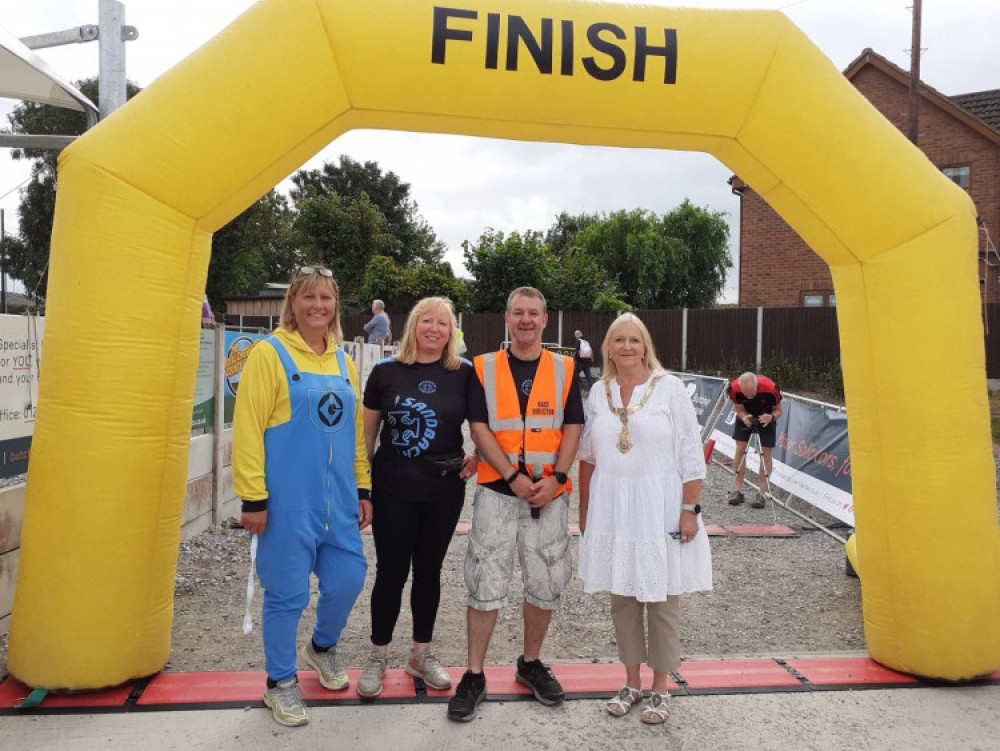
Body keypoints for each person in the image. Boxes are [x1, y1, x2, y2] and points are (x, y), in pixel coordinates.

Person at [232, 265, 371, 727]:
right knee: (287, 595)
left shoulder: (342, 360)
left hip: (339, 501)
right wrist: (253, 498)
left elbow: (353, 434)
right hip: (288, 503)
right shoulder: (268, 355)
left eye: (326, 298)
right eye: (308, 297)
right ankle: (279, 683)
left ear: (335, 305)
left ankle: (322, 647)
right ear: (292, 302)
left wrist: (363, 486)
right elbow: (248, 429)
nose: (317, 306)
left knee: (349, 579)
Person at [447, 287, 584, 723]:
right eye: (518, 313)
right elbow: (480, 427)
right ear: (506, 319)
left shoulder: (565, 368)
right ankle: (474, 674)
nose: (526, 320)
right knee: (485, 581)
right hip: (497, 494)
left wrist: (558, 478)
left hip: (549, 496)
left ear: (546, 320)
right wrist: (511, 475)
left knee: (544, 580)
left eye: (533, 314)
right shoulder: (484, 368)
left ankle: (530, 663)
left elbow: (574, 426)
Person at [577, 313, 711, 725]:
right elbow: (588, 457)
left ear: (645, 345)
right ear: (608, 348)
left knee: (661, 600)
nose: (627, 347)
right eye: (619, 340)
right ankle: (631, 682)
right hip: (614, 508)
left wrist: (689, 510)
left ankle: (660, 688)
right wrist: (585, 515)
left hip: (660, 506)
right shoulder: (599, 393)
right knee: (623, 599)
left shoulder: (669, 389)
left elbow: (691, 454)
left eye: (634, 340)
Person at [357, 297, 477, 698]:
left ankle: (420, 654)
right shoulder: (386, 371)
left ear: (451, 332)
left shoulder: (464, 373)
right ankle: (378, 655)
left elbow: (485, 424)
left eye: (443, 323)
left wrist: (478, 456)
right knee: (391, 573)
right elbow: (366, 437)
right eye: (427, 320)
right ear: (413, 326)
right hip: (393, 487)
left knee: (429, 571)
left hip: (444, 488)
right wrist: (363, 488)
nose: (434, 329)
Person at [726, 371, 782, 509]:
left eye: (752, 393)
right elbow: (739, 409)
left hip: (766, 416)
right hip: (746, 416)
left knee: (765, 452)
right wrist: (744, 416)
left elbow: (778, 410)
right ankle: (737, 490)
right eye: (746, 395)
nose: (749, 397)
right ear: (740, 388)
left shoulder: (771, 389)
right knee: (740, 450)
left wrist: (772, 417)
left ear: (756, 385)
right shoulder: (733, 389)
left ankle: (761, 493)